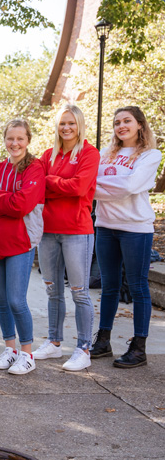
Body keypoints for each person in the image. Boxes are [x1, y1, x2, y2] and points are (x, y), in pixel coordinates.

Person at [91, 106, 161, 368]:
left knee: (138, 286)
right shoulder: (105, 154)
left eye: (127, 121)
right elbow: (90, 186)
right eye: (117, 122)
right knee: (108, 286)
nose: (121, 126)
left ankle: (139, 348)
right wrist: (115, 188)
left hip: (136, 228)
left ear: (140, 124)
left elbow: (132, 186)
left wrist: (102, 188)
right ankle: (103, 341)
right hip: (106, 226)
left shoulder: (151, 155)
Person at [33, 104, 99, 371]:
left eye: (71, 123)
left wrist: (51, 181)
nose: (66, 128)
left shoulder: (89, 153)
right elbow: (36, 184)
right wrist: (57, 182)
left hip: (77, 231)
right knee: (52, 290)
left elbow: (80, 187)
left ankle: (84, 348)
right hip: (47, 231)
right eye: (62, 123)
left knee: (80, 292)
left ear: (79, 124)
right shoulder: (48, 154)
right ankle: (54, 342)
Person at [0, 119, 45, 375]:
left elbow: (22, 205)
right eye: (10, 138)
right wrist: (3, 201)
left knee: (16, 300)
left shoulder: (35, 167)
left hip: (21, 240)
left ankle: (27, 353)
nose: (15, 143)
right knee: (1, 300)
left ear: (28, 140)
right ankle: (10, 349)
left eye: (20, 138)